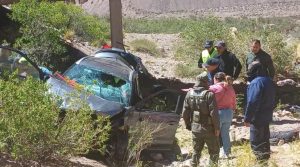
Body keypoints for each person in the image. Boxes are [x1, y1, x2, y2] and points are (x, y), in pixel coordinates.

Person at [182, 72, 220, 167]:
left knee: (196, 150)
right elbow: (214, 114)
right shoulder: (209, 95)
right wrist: (217, 128)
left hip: (195, 127)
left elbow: (185, 113)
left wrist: (188, 125)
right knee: (214, 151)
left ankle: (194, 164)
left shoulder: (189, 94)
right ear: (205, 82)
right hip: (209, 129)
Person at [244, 62, 276, 162]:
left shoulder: (256, 82)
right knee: (265, 139)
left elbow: (252, 101)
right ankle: (265, 160)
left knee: (256, 141)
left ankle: (260, 162)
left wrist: (247, 118)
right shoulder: (270, 81)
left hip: (257, 117)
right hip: (267, 115)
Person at [209, 72, 236, 159]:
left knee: (215, 133)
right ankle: (227, 152)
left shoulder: (213, 88)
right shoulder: (230, 87)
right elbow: (234, 101)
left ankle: (216, 152)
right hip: (229, 112)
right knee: (225, 133)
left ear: (215, 79)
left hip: (218, 113)